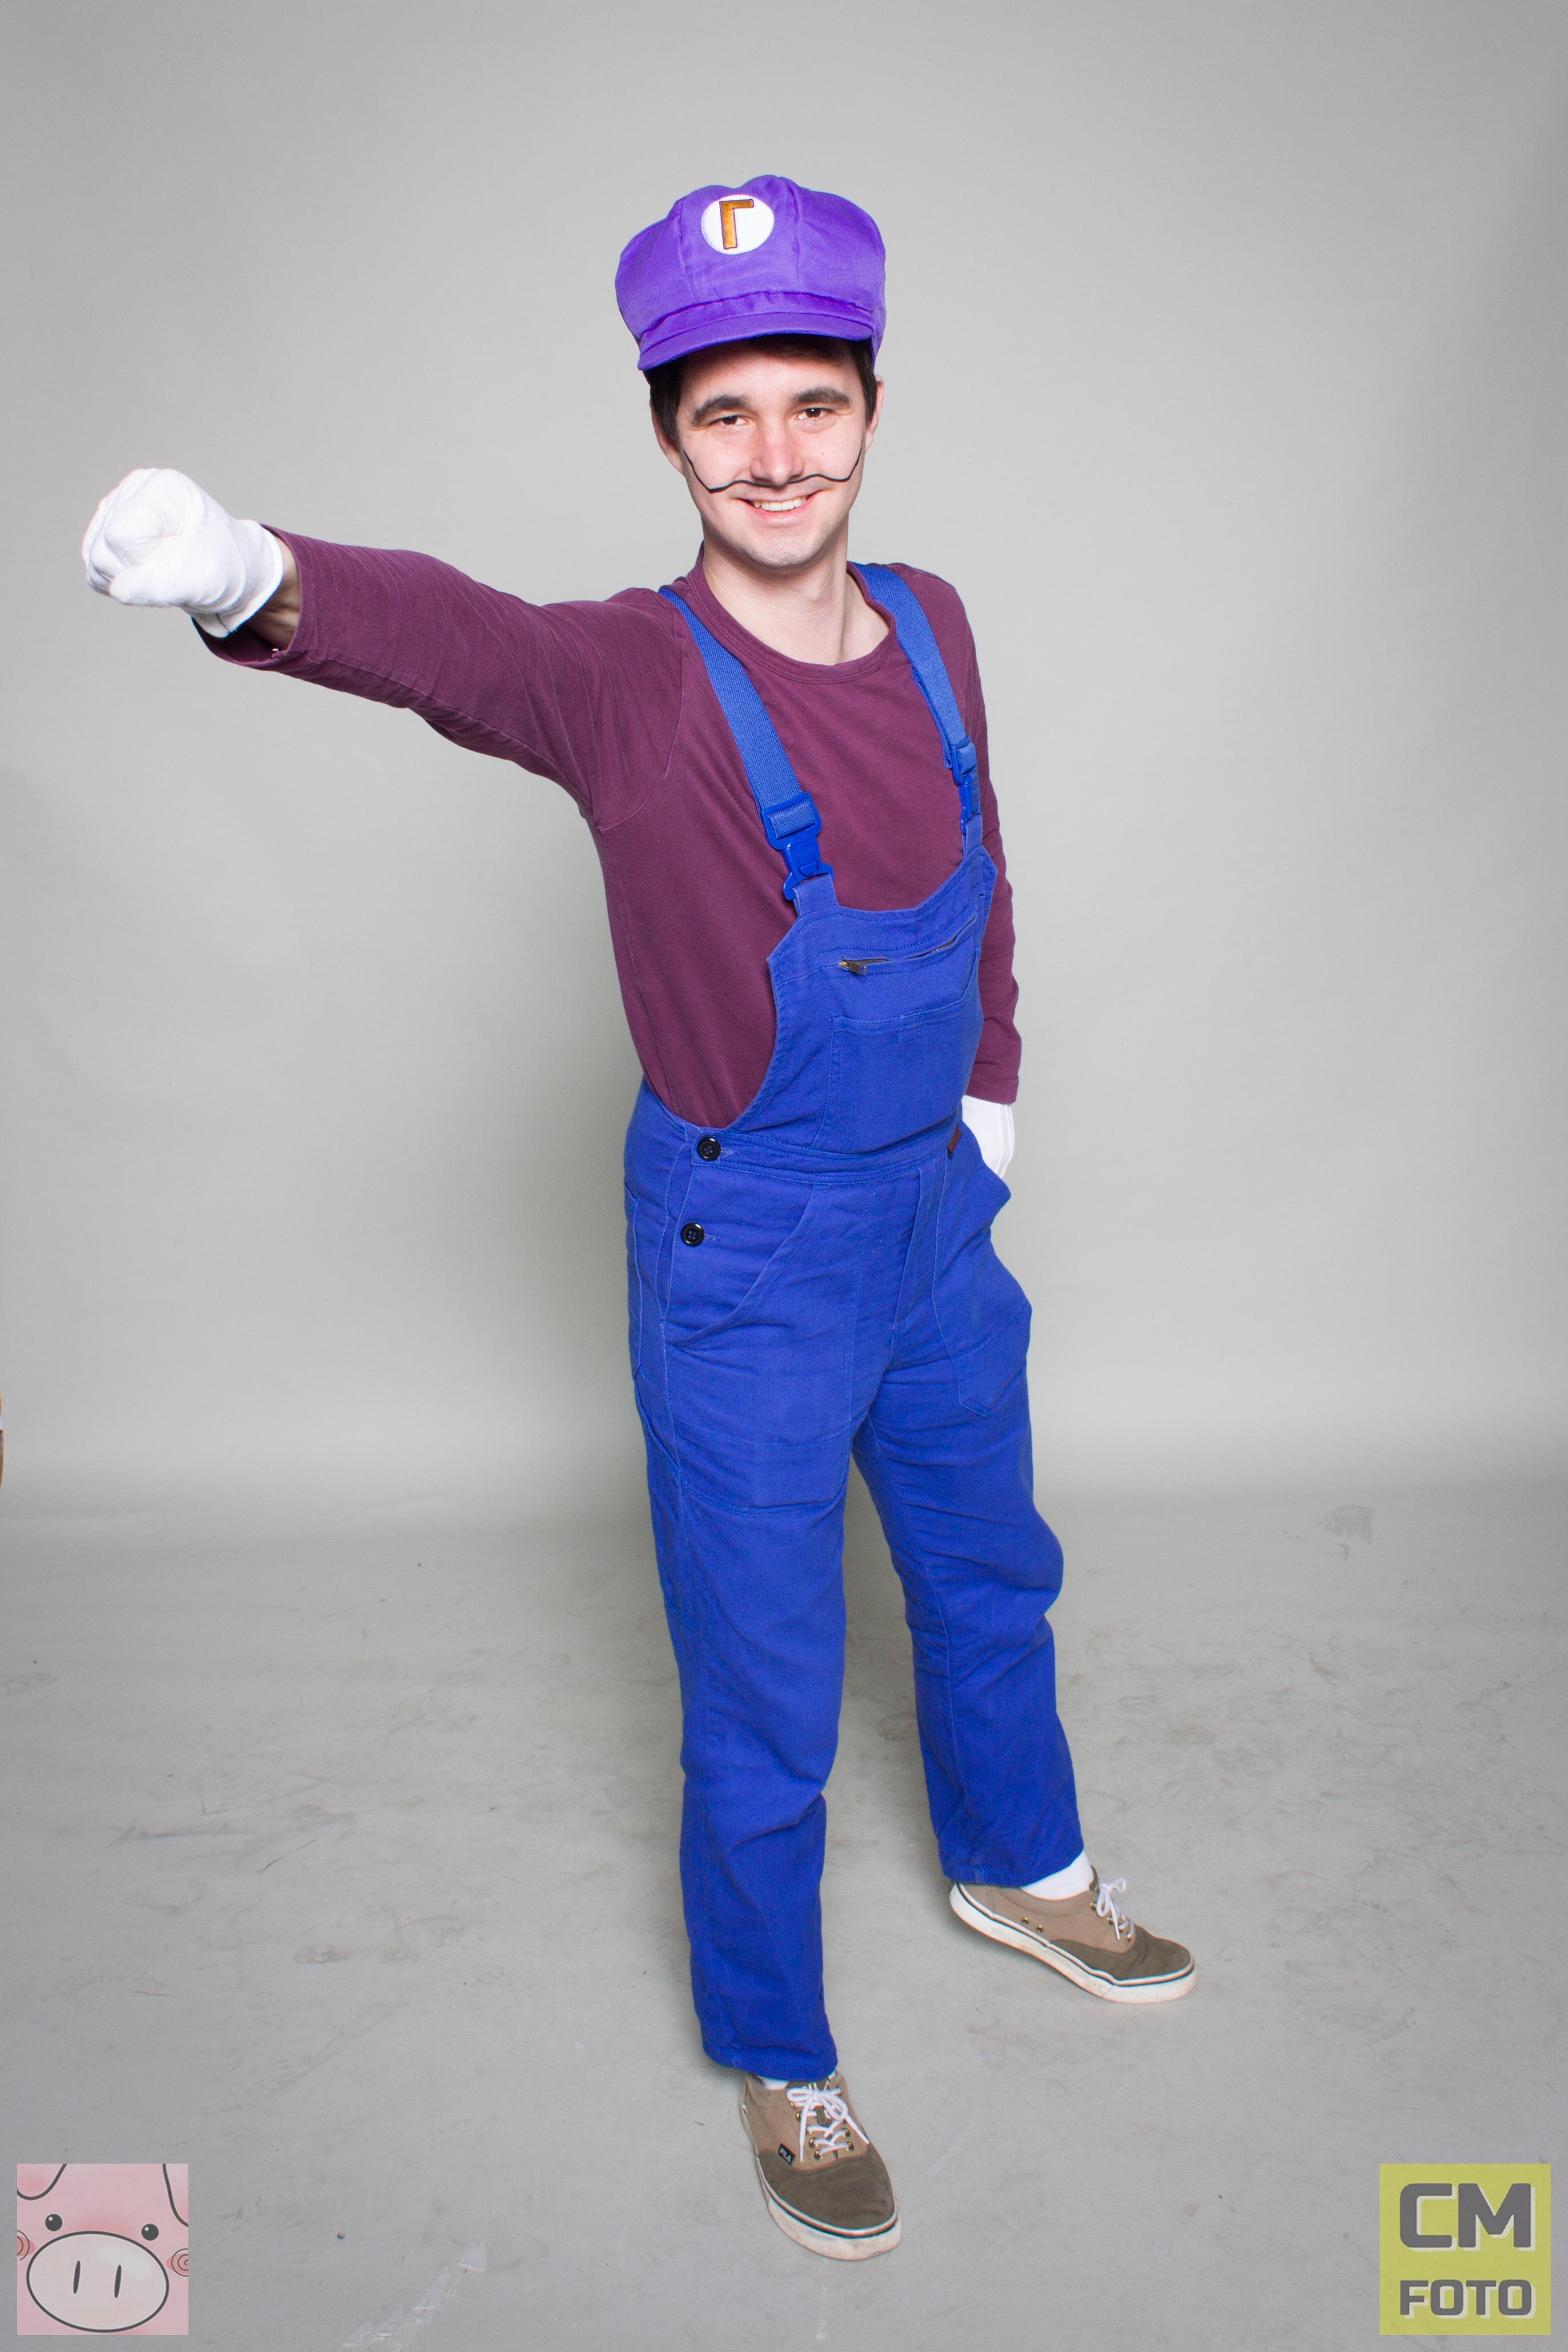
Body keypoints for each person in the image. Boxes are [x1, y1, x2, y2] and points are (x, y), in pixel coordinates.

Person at [81, 174, 1192, 2263]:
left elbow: (985, 868)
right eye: (723, 416)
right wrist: (249, 574)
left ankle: (1020, 1865)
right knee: (767, 1675)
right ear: (669, 439)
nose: (774, 455)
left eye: (812, 405)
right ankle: (780, 2050)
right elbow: (459, 643)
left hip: (935, 1222)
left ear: (872, 410)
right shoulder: (626, 680)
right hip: (750, 1252)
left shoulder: (935, 624)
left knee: (990, 1571)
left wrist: (993, 1087)